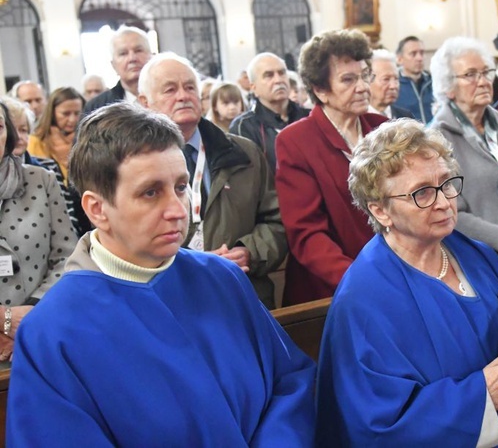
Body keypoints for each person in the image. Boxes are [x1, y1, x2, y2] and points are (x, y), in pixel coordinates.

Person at [7, 103, 316, 445]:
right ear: (97, 209)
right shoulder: (53, 332)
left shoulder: (221, 278)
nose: (176, 209)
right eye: (151, 192)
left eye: (181, 187)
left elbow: (291, 383)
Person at [317, 118, 498, 447]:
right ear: (380, 210)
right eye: (422, 193)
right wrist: (482, 397)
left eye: (446, 183)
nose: (445, 202)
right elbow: (375, 424)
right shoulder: (362, 301)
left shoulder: (477, 256)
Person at [139, 52, 287, 310]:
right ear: (145, 103)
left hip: (243, 293)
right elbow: (130, 241)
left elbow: (276, 221)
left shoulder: (244, 153)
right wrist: (193, 264)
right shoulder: (134, 166)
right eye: (170, 90)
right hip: (172, 301)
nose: (183, 96)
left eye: (189, 87)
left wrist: (249, 251)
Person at [275, 29, 387, 305]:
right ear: (320, 90)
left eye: (364, 76)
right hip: (333, 290)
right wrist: (359, 280)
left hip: (392, 275)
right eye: (348, 80)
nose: (362, 87)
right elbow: (307, 234)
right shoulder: (295, 140)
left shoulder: (382, 128)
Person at [431, 36, 498, 255]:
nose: (482, 81)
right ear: (448, 87)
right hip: (477, 256)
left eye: (486, 72)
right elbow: (447, 212)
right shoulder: (435, 139)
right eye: (470, 75)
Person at [0, 100, 76, 362]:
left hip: (43, 329)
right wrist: (3, 319)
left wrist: (29, 314)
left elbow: (67, 257)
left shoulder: (40, 179)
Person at [229, 53, 309, 176]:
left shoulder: (308, 117)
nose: (278, 80)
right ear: (253, 87)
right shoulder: (244, 126)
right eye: (269, 75)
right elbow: (249, 179)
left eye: (282, 73)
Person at [82, 25, 152, 116]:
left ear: (152, 56)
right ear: (113, 65)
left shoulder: (173, 97)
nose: (132, 58)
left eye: (138, 50)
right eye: (123, 53)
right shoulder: (97, 108)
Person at [27, 87, 85, 183]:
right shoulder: (36, 141)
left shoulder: (86, 140)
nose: (72, 119)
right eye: (65, 114)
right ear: (52, 113)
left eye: (77, 113)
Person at [393, 35, 435, 123]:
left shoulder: (433, 82)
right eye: (413, 54)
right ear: (400, 59)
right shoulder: (394, 86)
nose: (419, 58)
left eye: (422, 53)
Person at [368, 49, 413, 119]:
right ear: (368, 80)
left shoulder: (406, 118)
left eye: (396, 79)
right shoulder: (357, 120)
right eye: (386, 79)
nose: (393, 86)